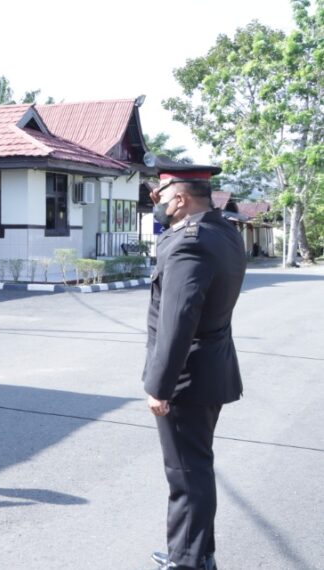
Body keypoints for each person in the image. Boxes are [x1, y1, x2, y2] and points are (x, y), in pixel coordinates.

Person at [142, 164, 245, 570]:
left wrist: (160, 386)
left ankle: (187, 562)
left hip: (186, 377)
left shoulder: (189, 242)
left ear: (181, 200)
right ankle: (196, 552)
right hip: (212, 367)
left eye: (163, 200)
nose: (159, 207)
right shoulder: (223, 232)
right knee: (196, 466)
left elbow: (178, 319)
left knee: (186, 473)